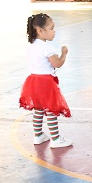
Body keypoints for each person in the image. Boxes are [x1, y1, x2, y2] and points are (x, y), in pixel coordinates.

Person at [18, 13, 73, 149]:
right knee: (50, 110)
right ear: (40, 31)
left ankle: (38, 135)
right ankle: (55, 139)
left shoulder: (31, 45)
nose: (54, 31)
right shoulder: (47, 47)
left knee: (38, 109)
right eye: (51, 28)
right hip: (45, 83)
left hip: (33, 81)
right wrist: (64, 53)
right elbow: (57, 63)